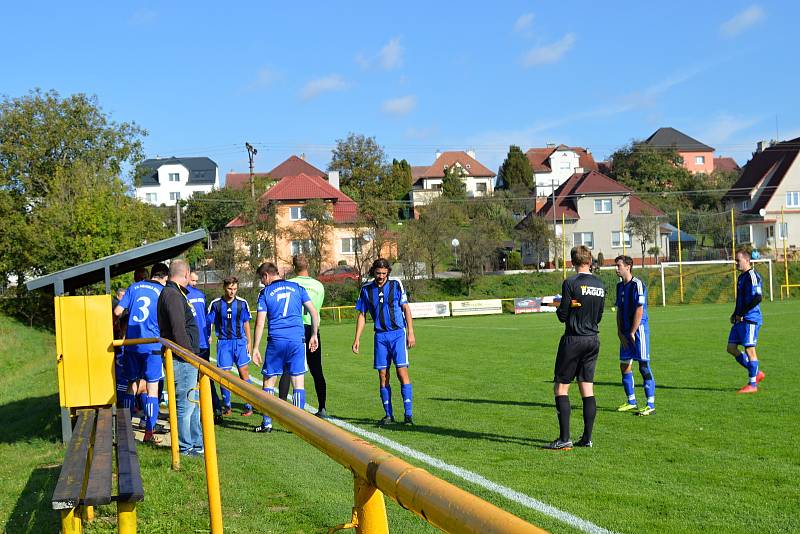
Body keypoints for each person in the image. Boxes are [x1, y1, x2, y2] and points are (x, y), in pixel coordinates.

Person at [545, 246, 605, 450]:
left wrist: (562, 307)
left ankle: (564, 439)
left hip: (574, 339)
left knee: (561, 388)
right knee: (587, 388)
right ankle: (587, 438)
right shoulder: (600, 284)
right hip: (593, 339)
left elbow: (563, 316)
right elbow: (598, 316)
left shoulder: (570, 283)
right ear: (589, 260)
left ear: (572, 262)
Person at [251, 262, 320, 433]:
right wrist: (313, 334)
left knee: (269, 380)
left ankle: (267, 423)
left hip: (276, 340)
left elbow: (260, 323)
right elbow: (314, 312)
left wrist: (255, 347)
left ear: (266, 276)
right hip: (297, 340)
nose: (262, 282)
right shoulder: (297, 287)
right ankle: (297, 425)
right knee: (298, 381)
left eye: (262, 278)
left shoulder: (265, 293)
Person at [352, 258, 417, 426]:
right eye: (378, 273)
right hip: (380, 336)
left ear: (388, 272)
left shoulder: (396, 285)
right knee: (383, 375)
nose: (381, 276)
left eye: (383, 273)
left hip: (397, 334)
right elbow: (361, 315)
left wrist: (410, 332)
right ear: (373, 272)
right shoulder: (366, 290)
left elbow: (406, 309)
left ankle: (408, 415)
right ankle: (388, 415)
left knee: (402, 373)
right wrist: (357, 338)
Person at [113, 263, 169, 442]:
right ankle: (149, 433)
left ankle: (126, 429)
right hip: (152, 344)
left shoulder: (133, 287)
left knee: (132, 385)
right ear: (164, 277)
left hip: (132, 343)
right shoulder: (162, 291)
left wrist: (118, 324)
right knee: (152, 388)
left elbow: (117, 311)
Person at [156, 259, 203, 456]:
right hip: (182, 360)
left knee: (192, 403)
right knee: (185, 404)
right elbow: (178, 330)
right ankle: (186, 448)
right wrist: (190, 356)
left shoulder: (174, 293)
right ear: (186, 274)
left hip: (185, 359)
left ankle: (196, 444)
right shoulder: (172, 295)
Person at [278, 255, 328, 418]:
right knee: (316, 369)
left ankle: (282, 406)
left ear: (293, 266)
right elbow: (316, 309)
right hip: (312, 329)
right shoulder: (318, 285)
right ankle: (322, 408)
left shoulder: (290, 284)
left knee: (288, 368)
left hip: (294, 329)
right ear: (309, 265)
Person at [614, 255, 656, 416]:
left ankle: (650, 404)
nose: (616, 269)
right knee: (624, 365)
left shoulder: (637, 284)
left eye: (618, 266)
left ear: (628, 266)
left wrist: (632, 331)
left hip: (639, 332)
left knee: (643, 365)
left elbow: (639, 309)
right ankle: (631, 401)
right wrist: (620, 331)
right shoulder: (619, 287)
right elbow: (619, 310)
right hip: (625, 332)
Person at [207, 276, 254, 416]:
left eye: (234, 289)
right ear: (224, 287)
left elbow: (246, 323)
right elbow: (210, 322)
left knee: (244, 373)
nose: (232, 292)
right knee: (224, 375)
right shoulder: (216, 304)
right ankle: (227, 406)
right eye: (229, 288)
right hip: (224, 343)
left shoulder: (242, 303)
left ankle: (249, 405)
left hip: (239, 342)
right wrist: (209, 335)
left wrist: (249, 342)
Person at [726, 249, 766, 393]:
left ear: (747, 260)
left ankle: (752, 385)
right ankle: (756, 372)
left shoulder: (752, 276)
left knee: (750, 349)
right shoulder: (741, 277)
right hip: (740, 318)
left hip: (750, 319)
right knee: (731, 348)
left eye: (738, 260)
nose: (736, 263)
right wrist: (735, 313)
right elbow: (740, 300)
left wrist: (742, 313)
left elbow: (757, 298)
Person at [188, 270, 221, 416]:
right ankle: (215, 407)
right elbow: (207, 319)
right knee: (205, 375)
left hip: (194, 342)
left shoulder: (185, 295)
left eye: (196, 281)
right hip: (202, 341)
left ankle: (203, 409)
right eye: (193, 281)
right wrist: (208, 334)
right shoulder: (200, 295)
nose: (195, 284)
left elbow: (206, 319)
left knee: (193, 378)